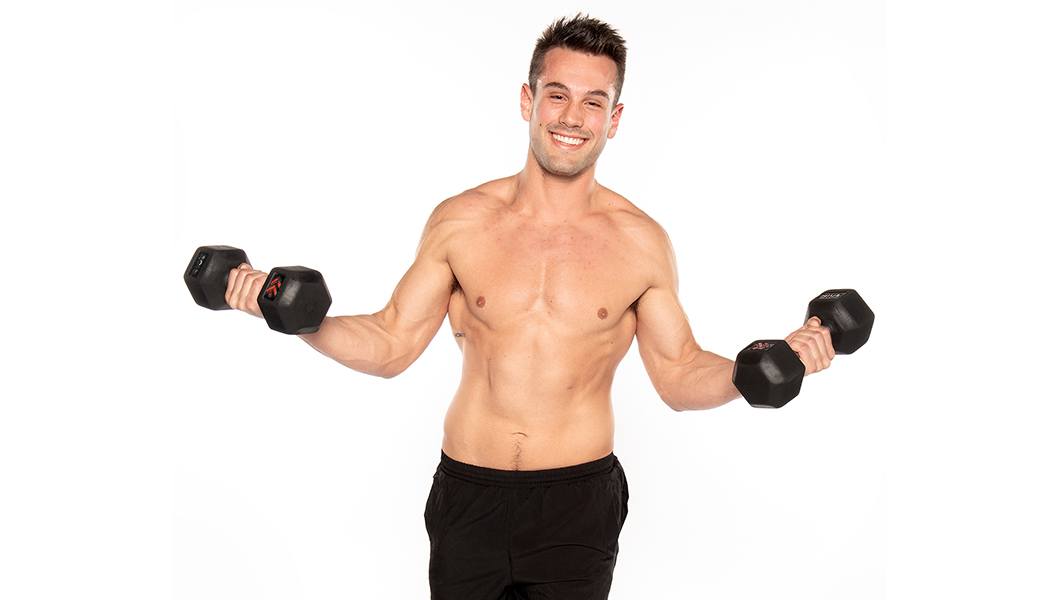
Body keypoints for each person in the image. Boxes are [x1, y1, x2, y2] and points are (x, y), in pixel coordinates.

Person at [221, 13, 835, 600]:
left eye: (594, 101)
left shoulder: (640, 242)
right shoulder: (460, 222)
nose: (573, 117)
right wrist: (286, 313)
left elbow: (677, 374)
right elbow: (389, 344)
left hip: (578, 499)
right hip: (469, 492)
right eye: (558, 95)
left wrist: (760, 365)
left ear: (615, 118)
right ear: (528, 100)